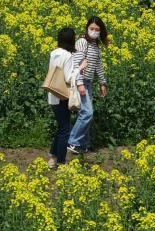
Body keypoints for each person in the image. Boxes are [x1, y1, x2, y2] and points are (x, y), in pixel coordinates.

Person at [47, 28, 88, 169]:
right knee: (65, 130)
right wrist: (80, 68)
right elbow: (68, 78)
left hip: (53, 95)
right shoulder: (68, 55)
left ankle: (53, 156)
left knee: (61, 128)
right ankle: (61, 162)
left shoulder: (53, 53)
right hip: (62, 96)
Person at [67, 16, 109, 154]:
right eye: (92, 28)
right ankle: (73, 142)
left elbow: (98, 66)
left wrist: (102, 83)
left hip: (88, 82)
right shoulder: (82, 43)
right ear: (86, 29)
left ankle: (83, 145)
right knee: (87, 113)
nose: (94, 31)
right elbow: (76, 65)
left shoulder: (95, 46)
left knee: (85, 114)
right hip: (81, 81)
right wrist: (80, 84)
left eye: (97, 29)